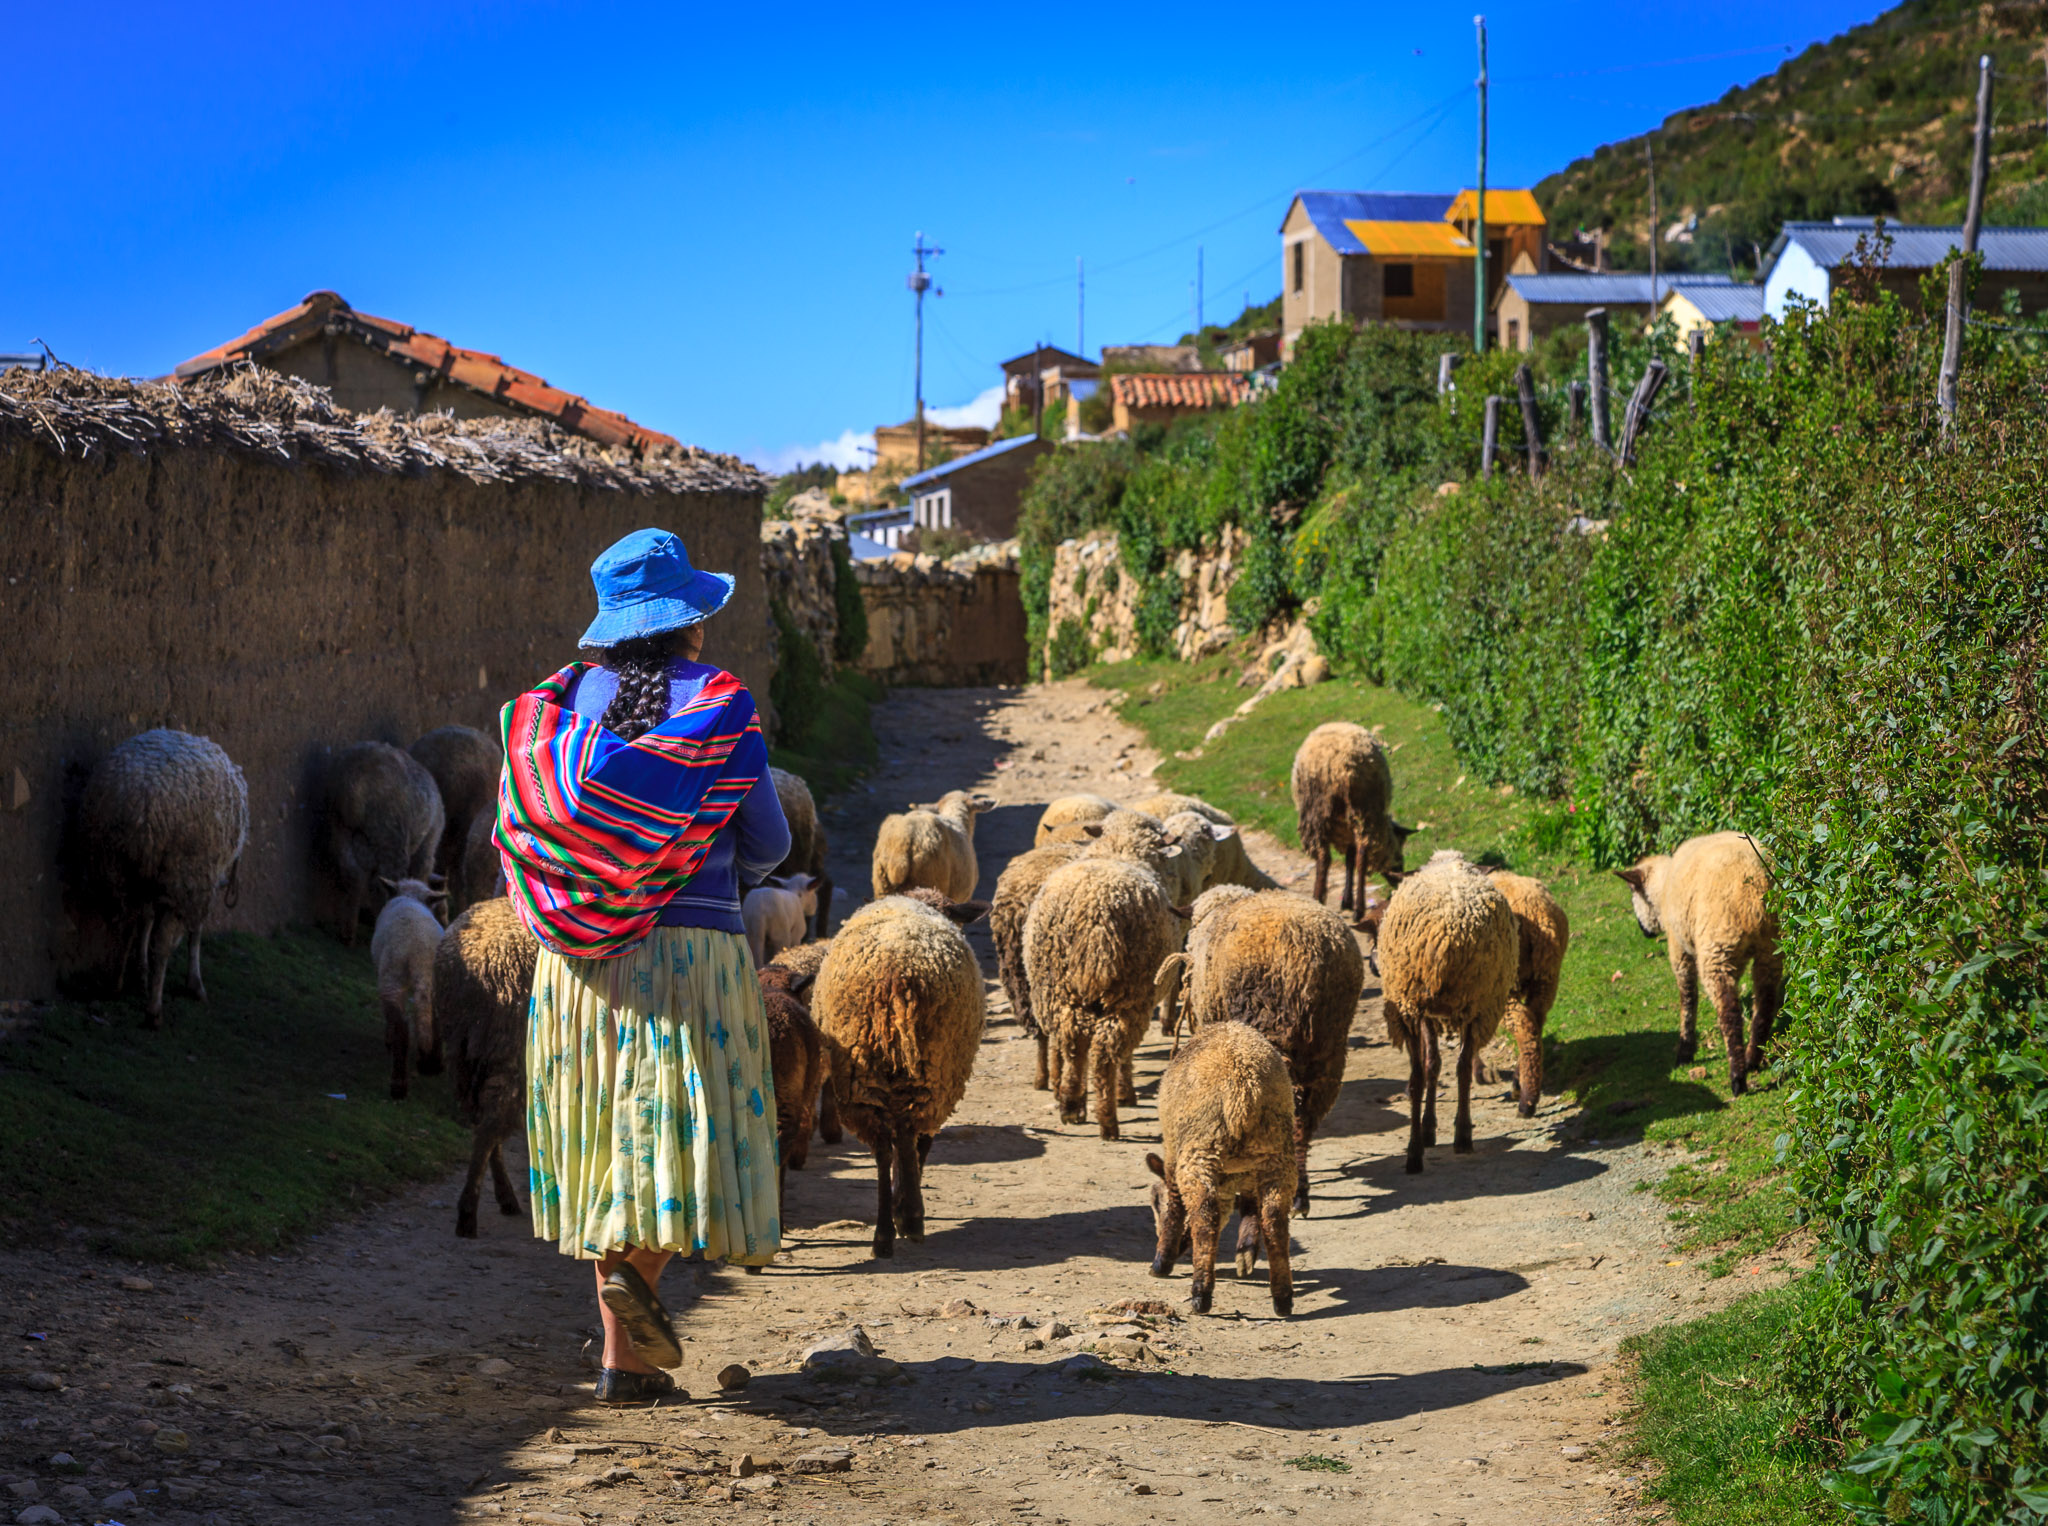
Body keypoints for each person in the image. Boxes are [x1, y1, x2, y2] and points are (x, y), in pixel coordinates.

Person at [495, 528, 791, 1405]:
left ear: (609, 626)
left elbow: (520, 835)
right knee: (674, 1140)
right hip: (691, 959)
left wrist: (615, 874)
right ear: (692, 620)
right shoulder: (720, 709)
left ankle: (622, 1363)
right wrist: (695, 852)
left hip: (575, 964)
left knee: (599, 1139)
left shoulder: (544, 718)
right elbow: (772, 842)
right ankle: (640, 1302)